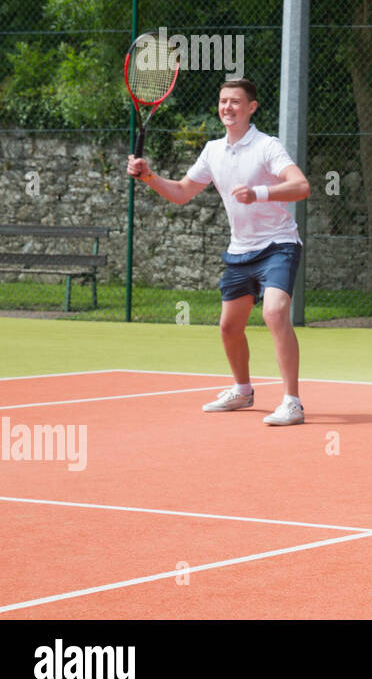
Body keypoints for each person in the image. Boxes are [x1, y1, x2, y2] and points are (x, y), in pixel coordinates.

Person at [126, 78, 312, 426]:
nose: (228, 107)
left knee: (274, 312)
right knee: (229, 327)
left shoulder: (267, 146)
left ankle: (292, 402)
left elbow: (302, 186)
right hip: (240, 250)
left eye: (236, 102)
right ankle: (242, 390)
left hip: (278, 245)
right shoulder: (213, 150)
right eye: (223, 101)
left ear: (251, 107)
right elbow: (182, 192)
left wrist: (259, 193)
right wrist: (149, 175)